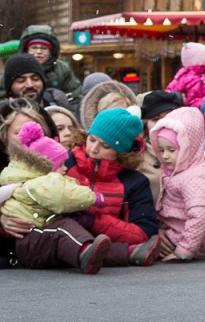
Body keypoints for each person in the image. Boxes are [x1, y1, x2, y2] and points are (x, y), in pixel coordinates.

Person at [0, 121, 109, 273]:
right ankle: (86, 252)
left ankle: (129, 253)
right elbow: (62, 197)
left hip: (40, 237)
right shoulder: (40, 184)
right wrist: (92, 197)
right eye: (61, 164)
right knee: (63, 228)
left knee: (80, 235)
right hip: (32, 239)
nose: (66, 168)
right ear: (45, 167)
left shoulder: (33, 181)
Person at [63, 107, 161, 266]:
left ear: (120, 152)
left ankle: (92, 252)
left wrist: (95, 222)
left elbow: (144, 232)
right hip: (60, 236)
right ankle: (126, 255)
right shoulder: (66, 163)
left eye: (105, 146)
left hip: (103, 242)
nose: (93, 149)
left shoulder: (135, 182)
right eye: (92, 139)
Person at [151, 107, 205, 262]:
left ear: (189, 147)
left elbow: (200, 216)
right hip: (176, 230)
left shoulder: (195, 178)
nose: (165, 156)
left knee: (143, 243)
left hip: (195, 242)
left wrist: (184, 251)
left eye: (171, 150)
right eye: (161, 150)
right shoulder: (179, 168)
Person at [18, 25, 83, 109]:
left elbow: (75, 97)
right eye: (34, 47)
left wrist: (69, 118)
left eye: (44, 48)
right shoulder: (16, 68)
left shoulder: (62, 69)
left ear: (51, 52)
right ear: (26, 50)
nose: (38, 52)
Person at [3, 53, 71, 112]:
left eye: (35, 79)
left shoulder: (60, 111)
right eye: (21, 81)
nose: (30, 85)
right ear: (10, 89)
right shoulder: (3, 119)